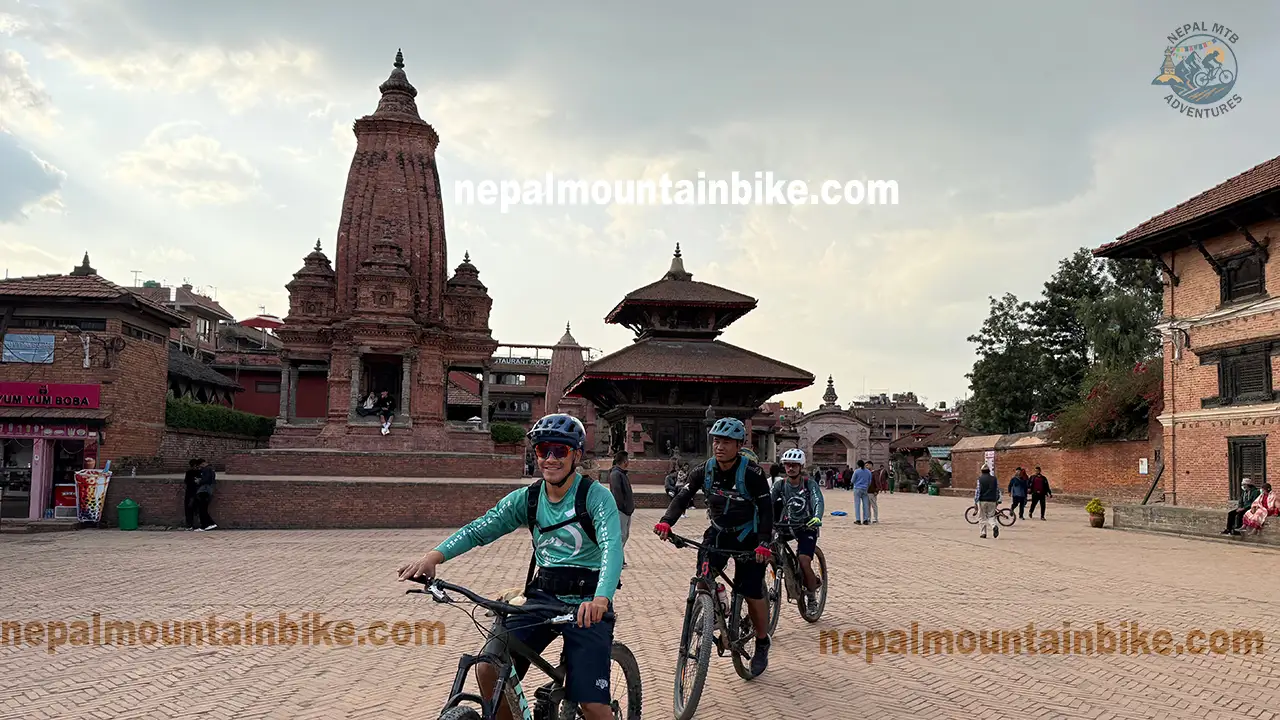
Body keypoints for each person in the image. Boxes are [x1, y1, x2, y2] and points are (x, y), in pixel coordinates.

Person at [396, 413, 621, 720]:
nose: (550, 459)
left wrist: (601, 598)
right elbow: (480, 529)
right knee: (489, 666)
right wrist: (435, 556)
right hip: (541, 597)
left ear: (576, 455)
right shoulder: (527, 499)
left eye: (560, 450)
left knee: (592, 704)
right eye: (543, 451)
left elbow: (611, 548)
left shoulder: (596, 498)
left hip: (586, 603)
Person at [655, 417, 774, 677]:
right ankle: (713, 613)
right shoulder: (704, 470)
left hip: (749, 538)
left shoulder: (753, 474)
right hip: (718, 535)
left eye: (727, 442)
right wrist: (666, 521)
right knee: (703, 581)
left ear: (739, 445)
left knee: (752, 591)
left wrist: (764, 542)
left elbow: (766, 509)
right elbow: (683, 496)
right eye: (717, 441)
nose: (719, 446)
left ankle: (762, 641)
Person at [771, 448, 824, 610]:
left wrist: (816, 516)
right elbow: (768, 502)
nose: (790, 468)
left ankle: (811, 596)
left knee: (804, 560)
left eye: (794, 465)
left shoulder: (809, 483)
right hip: (786, 525)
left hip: (806, 526)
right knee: (769, 549)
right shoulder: (779, 485)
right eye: (787, 465)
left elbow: (817, 500)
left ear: (801, 467)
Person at [608, 450, 634, 569]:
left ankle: (620, 559)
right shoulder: (616, 474)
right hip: (621, 510)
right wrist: (623, 507)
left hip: (626, 510)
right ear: (624, 461)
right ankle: (616, 560)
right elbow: (617, 494)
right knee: (620, 536)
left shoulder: (621, 474)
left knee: (624, 535)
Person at [974, 465, 1000, 539]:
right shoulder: (994, 479)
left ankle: (983, 533)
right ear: (989, 471)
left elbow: (978, 491)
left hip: (982, 500)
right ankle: (994, 525)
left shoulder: (980, 479)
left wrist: (975, 501)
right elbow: (997, 490)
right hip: (992, 500)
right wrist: (997, 499)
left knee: (982, 517)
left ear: (982, 471)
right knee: (991, 516)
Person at [193, 458, 217, 531]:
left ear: (202, 463)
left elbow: (206, 480)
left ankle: (205, 525)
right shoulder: (211, 469)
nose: (200, 467)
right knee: (203, 509)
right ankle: (210, 523)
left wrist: (198, 481)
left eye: (200, 466)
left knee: (202, 509)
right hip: (208, 490)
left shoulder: (206, 469)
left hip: (204, 490)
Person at [183, 458, 202, 530]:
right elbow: (187, 482)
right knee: (189, 509)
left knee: (196, 509)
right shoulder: (189, 473)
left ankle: (195, 524)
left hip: (195, 493)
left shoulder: (200, 472)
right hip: (191, 493)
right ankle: (190, 524)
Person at [851, 460, 873, 525]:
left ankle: (858, 519)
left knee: (857, 505)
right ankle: (865, 519)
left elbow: (852, 480)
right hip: (865, 489)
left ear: (858, 465)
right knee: (866, 505)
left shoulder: (856, 471)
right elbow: (869, 482)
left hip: (857, 488)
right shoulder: (868, 472)